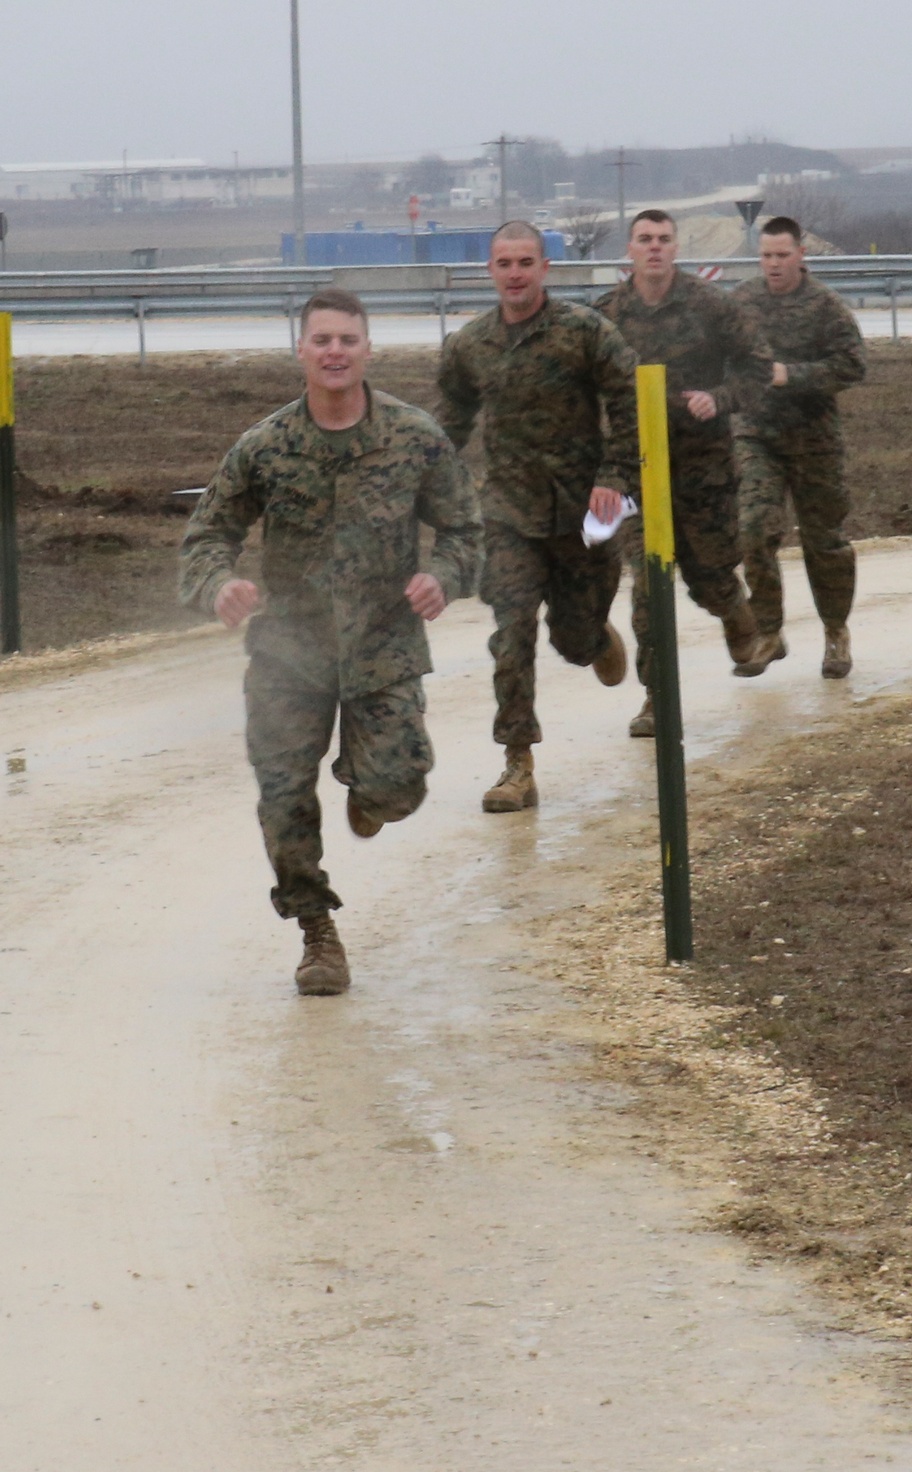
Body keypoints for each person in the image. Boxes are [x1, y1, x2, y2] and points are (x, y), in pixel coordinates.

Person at [179, 288, 482, 996]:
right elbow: (207, 536)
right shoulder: (265, 446)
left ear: (368, 350)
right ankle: (317, 932)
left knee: (399, 788)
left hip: (384, 650)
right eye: (323, 341)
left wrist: (443, 576)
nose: (336, 352)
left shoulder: (415, 438)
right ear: (302, 353)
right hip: (289, 655)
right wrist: (218, 585)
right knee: (283, 797)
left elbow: (467, 531)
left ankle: (368, 786)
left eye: (348, 339)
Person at [437, 221, 640, 812]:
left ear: (545, 268)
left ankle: (594, 637)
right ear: (491, 271)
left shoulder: (586, 332)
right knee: (512, 631)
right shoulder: (469, 346)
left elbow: (630, 402)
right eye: (505, 263)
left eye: (526, 262)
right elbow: (447, 425)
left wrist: (614, 477)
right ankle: (517, 764)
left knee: (572, 642)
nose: (516, 273)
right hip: (507, 514)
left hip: (584, 516)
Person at [595, 208, 774, 733]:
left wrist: (719, 398)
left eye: (664, 239)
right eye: (644, 239)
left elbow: (757, 367)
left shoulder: (711, 306)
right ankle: (657, 698)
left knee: (708, 577)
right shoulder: (606, 315)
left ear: (676, 248)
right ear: (630, 249)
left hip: (702, 469)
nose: (654, 248)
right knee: (649, 582)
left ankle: (738, 614)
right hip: (635, 470)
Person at [730, 215, 867, 678]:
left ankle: (835, 632)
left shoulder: (825, 307)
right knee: (752, 530)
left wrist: (795, 375)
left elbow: (852, 365)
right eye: (766, 255)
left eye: (782, 255)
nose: (773, 264)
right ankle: (768, 631)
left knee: (823, 541)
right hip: (757, 437)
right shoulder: (742, 302)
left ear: (800, 254)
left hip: (814, 441)